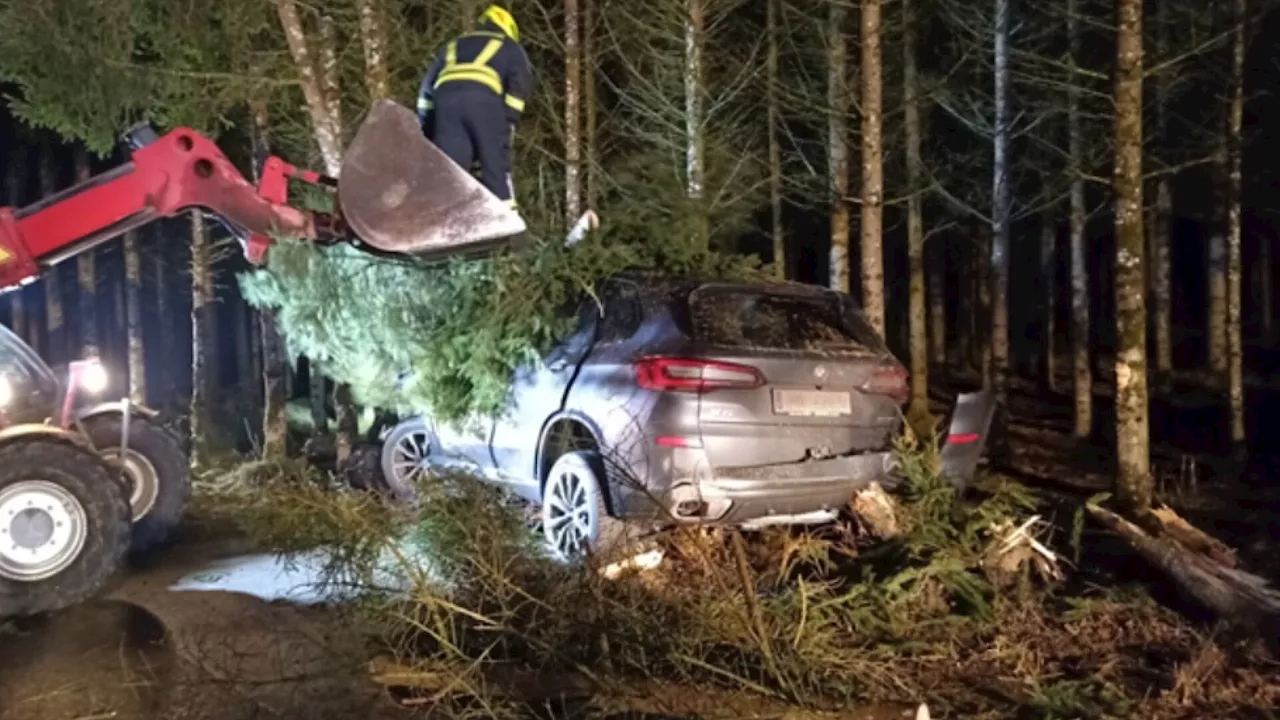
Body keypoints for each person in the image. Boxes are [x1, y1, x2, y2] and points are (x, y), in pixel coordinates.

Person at [417, 4, 533, 210]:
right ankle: (505, 220)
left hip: (446, 104)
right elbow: (520, 85)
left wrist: (427, 127)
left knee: (452, 174)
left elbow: (426, 90)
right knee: (494, 165)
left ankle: (448, 222)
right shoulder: (509, 46)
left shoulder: (452, 46)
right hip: (483, 101)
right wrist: (506, 121)